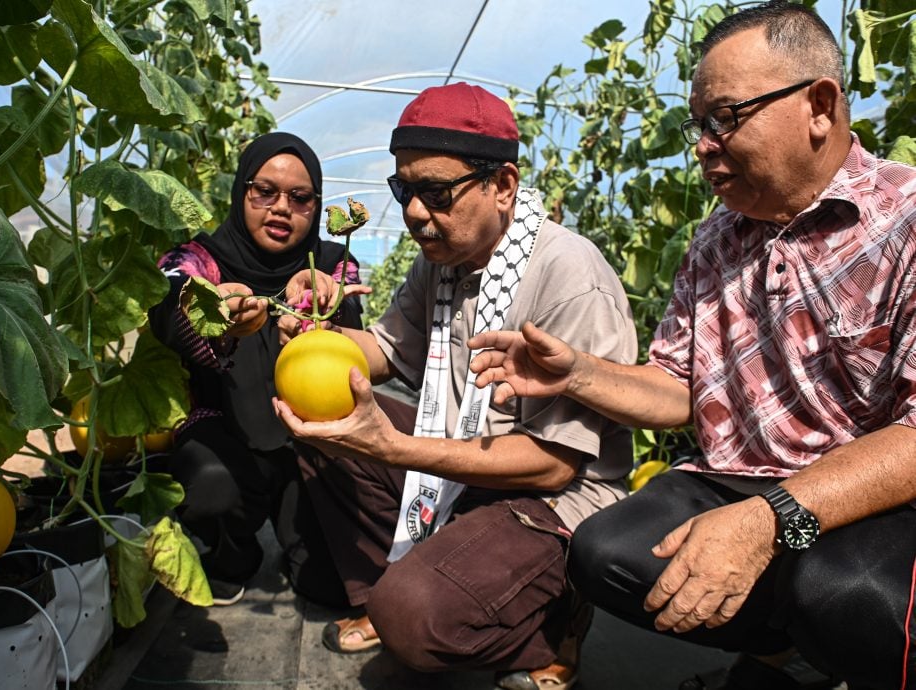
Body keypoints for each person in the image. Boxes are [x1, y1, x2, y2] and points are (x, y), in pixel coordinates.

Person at [467, 3, 916, 689]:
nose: (703, 144)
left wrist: (771, 520)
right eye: (697, 125)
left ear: (819, 106)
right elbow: (679, 387)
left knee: (846, 593)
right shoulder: (717, 240)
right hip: (746, 484)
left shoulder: (906, 223)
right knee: (603, 550)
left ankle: (832, 642)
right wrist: (577, 373)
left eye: (724, 118)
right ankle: (787, 655)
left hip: (871, 507)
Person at [273, 82, 637, 689]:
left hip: (550, 502)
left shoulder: (568, 276)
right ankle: (384, 591)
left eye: (436, 192)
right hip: (466, 463)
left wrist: (393, 449)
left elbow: (551, 468)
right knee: (322, 424)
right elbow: (386, 350)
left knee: (415, 619)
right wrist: (318, 334)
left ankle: (555, 618)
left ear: (503, 186)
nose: (415, 212)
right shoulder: (441, 259)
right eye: (405, 190)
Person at [148, 132, 363, 607]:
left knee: (323, 582)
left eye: (299, 197)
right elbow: (166, 302)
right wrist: (211, 313)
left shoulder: (332, 263)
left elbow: (349, 335)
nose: (281, 207)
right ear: (241, 192)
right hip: (223, 428)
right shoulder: (202, 258)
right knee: (208, 482)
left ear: (316, 203)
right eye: (264, 191)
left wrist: (319, 304)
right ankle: (231, 548)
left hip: (308, 439)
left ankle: (298, 542)